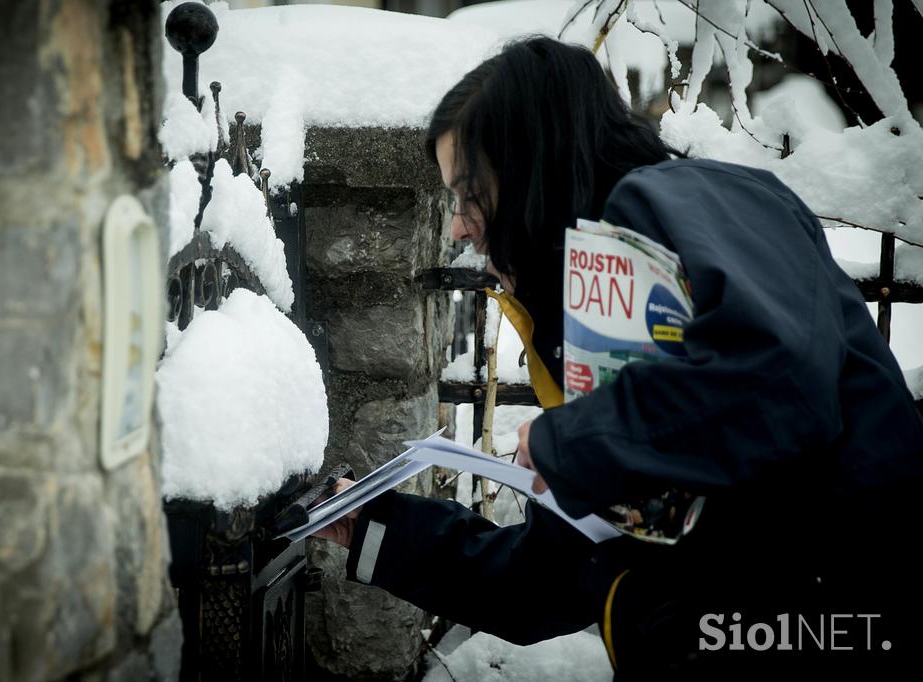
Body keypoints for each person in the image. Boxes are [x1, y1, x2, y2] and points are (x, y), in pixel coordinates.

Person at [315, 36, 923, 680]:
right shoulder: (594, 296)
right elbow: (556, 574)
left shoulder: (679, 197)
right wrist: (377, 529)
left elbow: (781, 377)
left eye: (468, 192)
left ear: (530, 161)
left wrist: (576, 439)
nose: (460, 225)